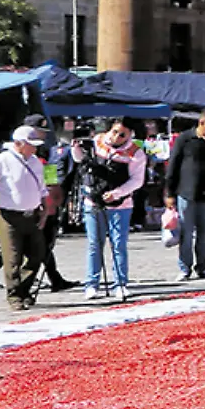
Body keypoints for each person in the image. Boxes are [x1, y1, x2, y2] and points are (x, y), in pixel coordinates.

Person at [0, 125, 50, 311]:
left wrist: (45, 208)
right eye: (31, 144)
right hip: (9, 216)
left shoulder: (35, 162)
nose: (35, 148)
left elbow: (42, 188)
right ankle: (15, 296)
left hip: (31, 215)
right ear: (18, 144)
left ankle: (23, 289)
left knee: (37, 254)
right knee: (12, 258)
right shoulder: (2, 160)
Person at [82, 119, 145, 301]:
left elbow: (137, 180)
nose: (117, 137)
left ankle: (120, 283)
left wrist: (117, 193)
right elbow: (80, 161)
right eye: (115, 131)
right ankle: (92, 284)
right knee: (95, 243)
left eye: (122, 134)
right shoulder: (96, 142)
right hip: (93, 201)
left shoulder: (135, 153)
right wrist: (77, 147)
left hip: (120, 205)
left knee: (118, 244)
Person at [166, 110, 205, 280]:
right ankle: (184, 268)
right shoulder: (185, 139)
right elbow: (173, 166)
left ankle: (202, 266)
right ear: (202, 122)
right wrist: (169, 193)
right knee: (186, 232)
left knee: (203, 233)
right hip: (186, 193)